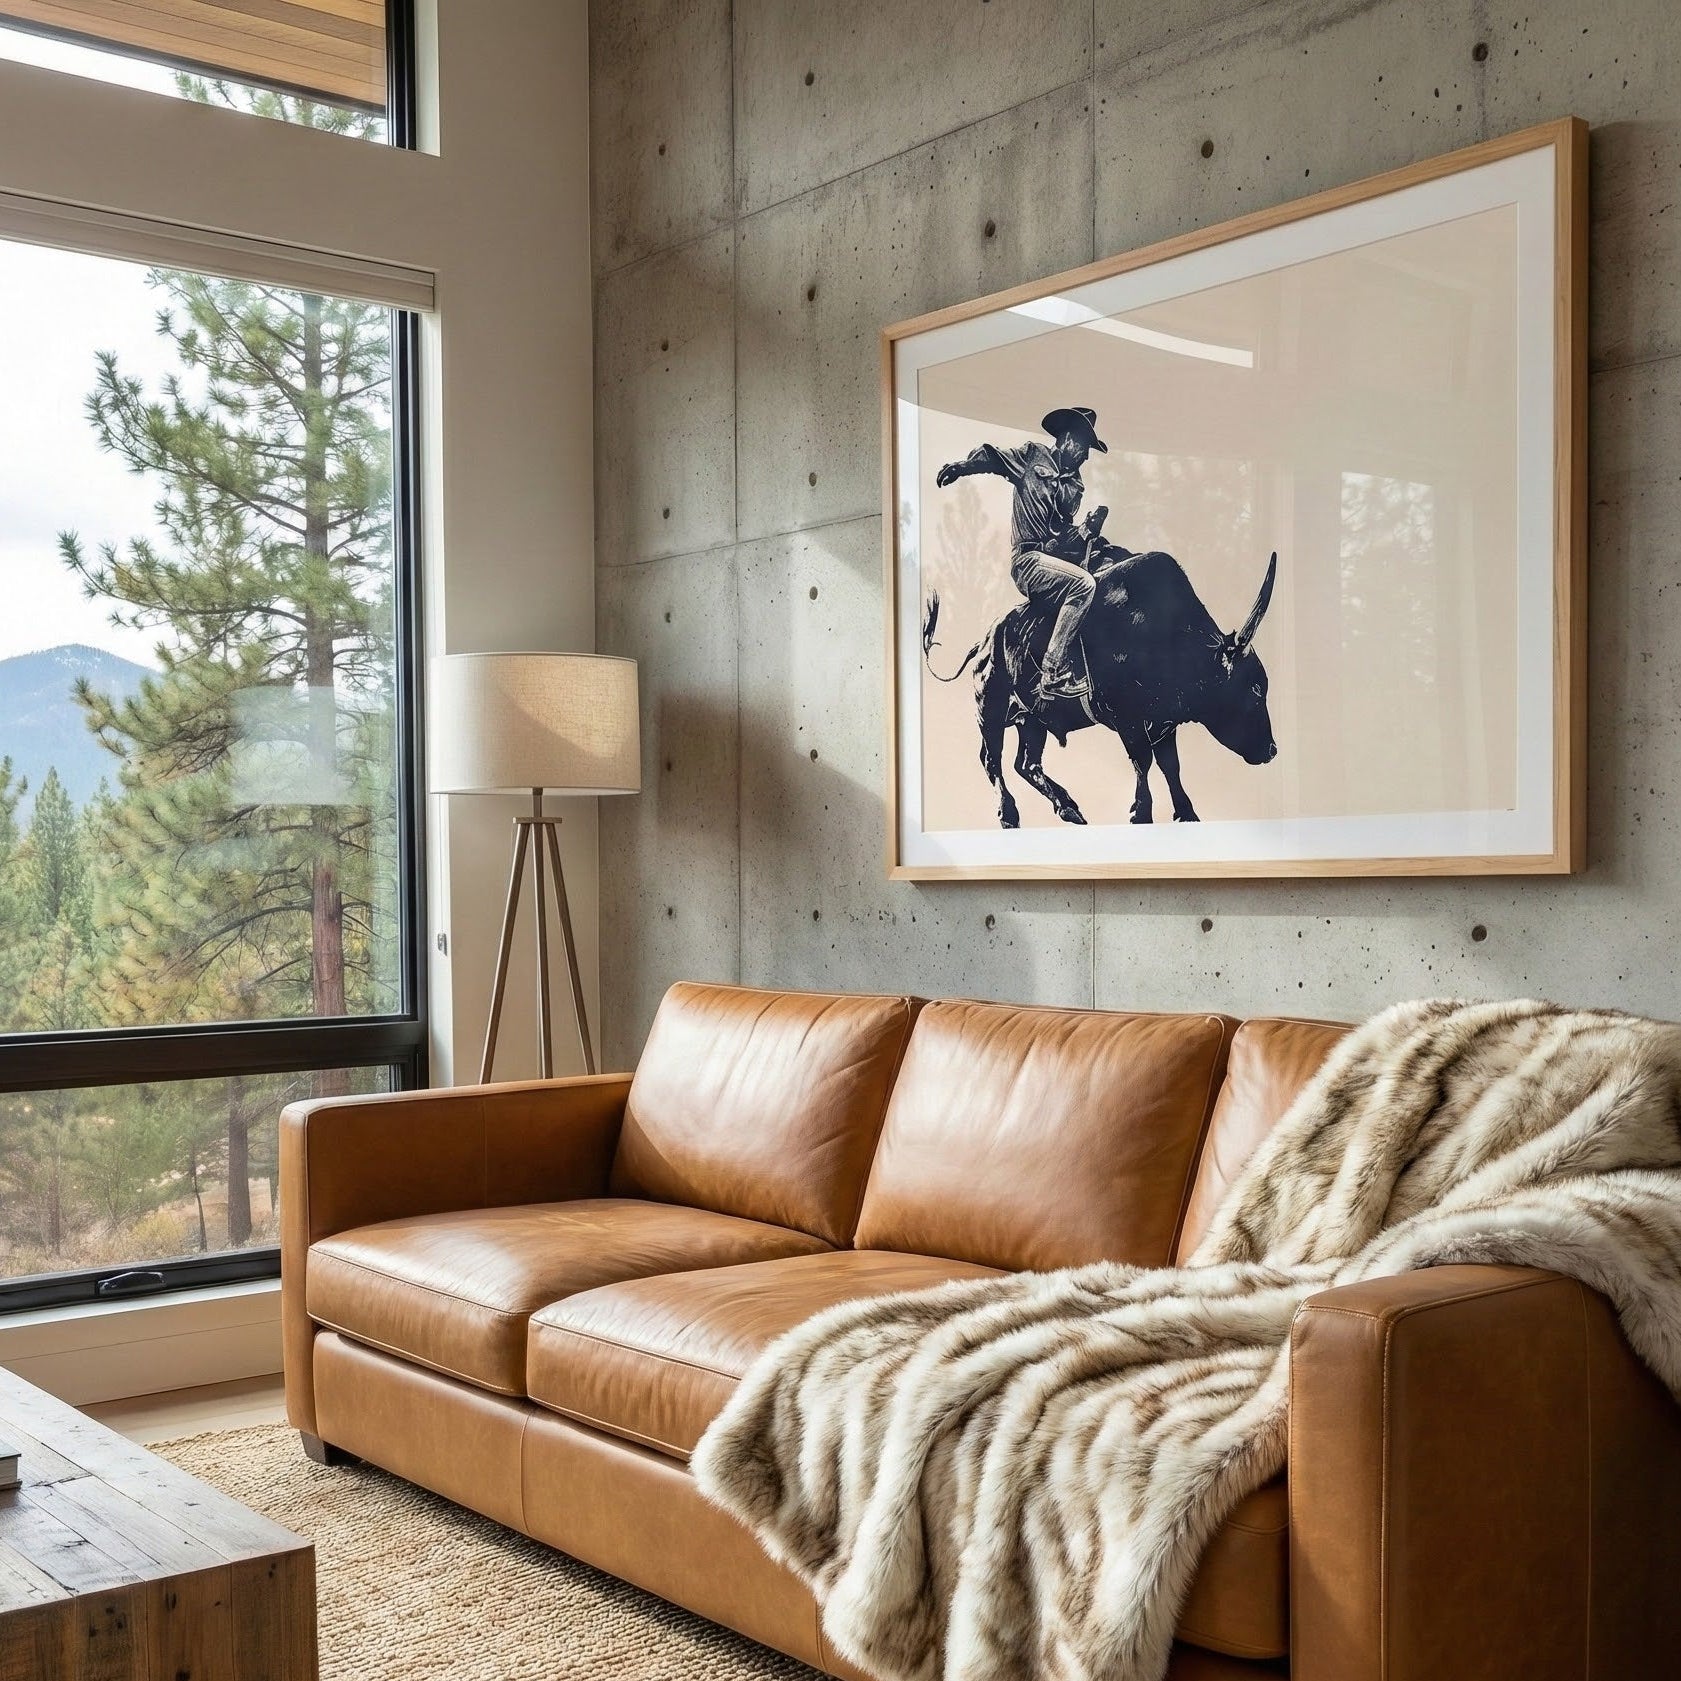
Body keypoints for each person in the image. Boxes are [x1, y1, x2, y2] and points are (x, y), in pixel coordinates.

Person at [935, 406, 1108, 701]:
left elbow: (1061, 535)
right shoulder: (1032, 457)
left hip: (1054, 563)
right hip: (1028, 562)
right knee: (1083, 585)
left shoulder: (1075, 487)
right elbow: (994, 457)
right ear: (1066, 439)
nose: (1086, 455)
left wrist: (1085, 532)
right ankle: (1052, 672)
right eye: (1083, 446)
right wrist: (963, 466)